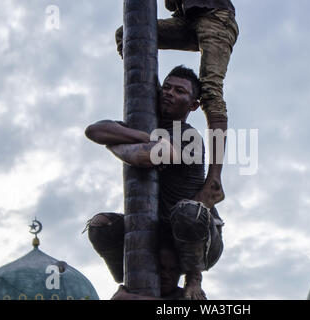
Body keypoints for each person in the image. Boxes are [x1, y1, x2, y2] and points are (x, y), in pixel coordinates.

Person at [84, 66, 224, 300]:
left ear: (193, 105)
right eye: (166, 87)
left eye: (179, 91)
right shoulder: (147, 127)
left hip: (198, 238)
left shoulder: (190, 138)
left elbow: (143, 156)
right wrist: (145, 137)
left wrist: (116, 141)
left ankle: (193, 279)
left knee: (186, 212)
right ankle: (131, 280)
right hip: (161, 233)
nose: (169, 92)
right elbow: (95, 131)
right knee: (101, 226)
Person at [115, 0, 239, 210]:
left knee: (210, 90)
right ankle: (156, 98)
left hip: (215, 16)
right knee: (127, 34)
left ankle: (214, 182)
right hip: (186, 18)